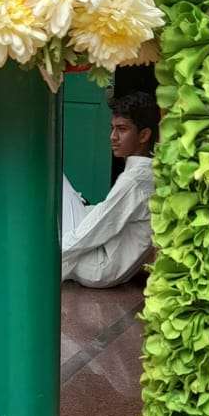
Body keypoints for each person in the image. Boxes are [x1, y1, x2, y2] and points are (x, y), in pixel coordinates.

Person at [61, 90, 159, 289]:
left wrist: (49, 256)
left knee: (52, 176)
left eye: (122, 129)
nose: (113, 137)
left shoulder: (134, 180)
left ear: (144, 135)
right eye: (112, 128)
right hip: (114, 268)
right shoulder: (148, 172)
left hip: (98, 267)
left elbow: (99, 227)